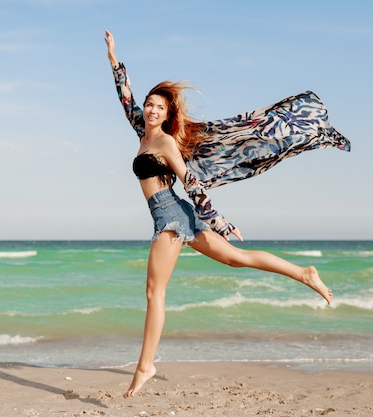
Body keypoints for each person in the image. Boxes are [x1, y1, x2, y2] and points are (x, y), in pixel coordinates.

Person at [104, 30, 348, 398]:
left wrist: (218, 221)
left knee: (155, 293)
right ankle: (303, 272)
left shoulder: (166, 143)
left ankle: (146, 366)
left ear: (168, 113)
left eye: (159, 106)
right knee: (236, 259)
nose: (152, 109)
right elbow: (126, 102)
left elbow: (191, 182)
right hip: (173, 216)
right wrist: (114, 61)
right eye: (150, 105)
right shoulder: (143, 132)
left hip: (171, 218)